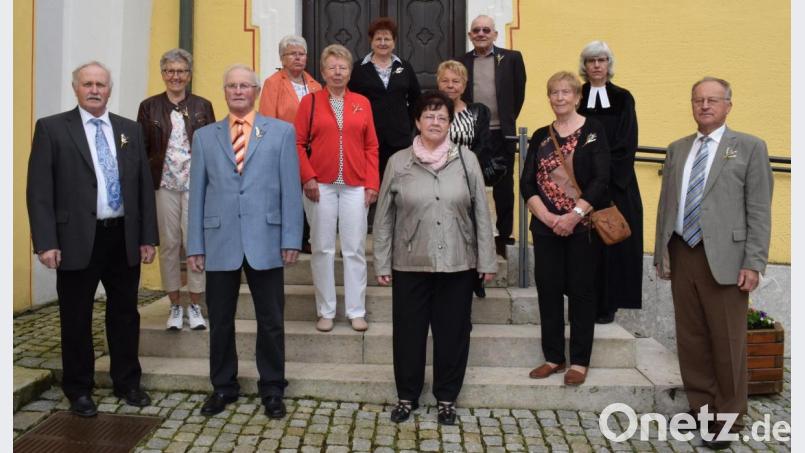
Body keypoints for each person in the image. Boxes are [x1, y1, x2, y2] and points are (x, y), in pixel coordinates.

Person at [26, 61, 158, 416]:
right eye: (88, 84)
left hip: (123, 237)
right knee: (76, 317)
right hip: (74, 239)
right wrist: (46, 242)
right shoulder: (52, 129)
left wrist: (148, 236)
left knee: (125, 315)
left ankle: (127, 382)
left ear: (109, 89)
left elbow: (143, 187)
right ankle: (79, 389)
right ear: (76, 88)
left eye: (101, 84)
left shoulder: (128, 129)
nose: (95, 89)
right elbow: (39, 191)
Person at [654, 77, 772, 450]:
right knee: (691, 338)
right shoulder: (677, 149)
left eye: (713, 100)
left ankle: (730, 416)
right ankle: (701, 406)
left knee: (727, 339)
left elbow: (758, 209)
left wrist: (754, 262)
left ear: (728, 105)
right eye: (698, 100)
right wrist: (662, 253)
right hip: (683, 251)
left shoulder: (750, 148)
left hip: (726, 257)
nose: (704, 106)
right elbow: (666, 206)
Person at [187, 64, 303, 419]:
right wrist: (195, 244)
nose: (238, 91)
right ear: (224, 91)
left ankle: (272, 387)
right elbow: (198, 194)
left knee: (271, 319)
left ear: (255, 90)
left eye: (244, 86)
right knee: (220, 319)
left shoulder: (281, 133)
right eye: (231, 85)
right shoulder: (205, 137)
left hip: (266, 239)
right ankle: (223, 386)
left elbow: (290, 188)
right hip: (219, 239)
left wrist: (291, 237)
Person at [373, 91, 496, 425]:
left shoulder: (466, 159)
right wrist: (381, 262)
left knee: (453, 332)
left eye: (442, 116)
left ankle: (446, 397)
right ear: (417, 121)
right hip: (410, 260)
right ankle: (407, 395)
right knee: (408, 332)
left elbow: (481, 213)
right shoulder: (398, 162)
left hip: (458, 260)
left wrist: (487, 260)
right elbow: (383, 217)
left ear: (450, 122)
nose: (436, 122)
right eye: (429, 115)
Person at [520, 72, 610, 386]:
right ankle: (554, 357)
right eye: (554, 92)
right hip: (546, 228)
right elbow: (527, 182)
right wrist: (547, 217)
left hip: (582, 227)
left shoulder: (593, 131)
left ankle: (580, 361)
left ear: (577, 97)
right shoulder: (541, 136)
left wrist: (572, 215)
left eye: (566, 92)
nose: (560, 98)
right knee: (548, 291)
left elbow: (601, 180)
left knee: (583, 293)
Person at [295, 44, 379, 333]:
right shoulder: (311, 102)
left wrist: (372, 182)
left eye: (343, 67)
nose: (338, 72)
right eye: (332, 67)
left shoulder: (362, 102)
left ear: (350, 71)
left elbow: (371, 146)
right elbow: (297, 143)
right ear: (322, 71)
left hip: (355, 185)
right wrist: (307, 177)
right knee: (322, 248)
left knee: (354, 249)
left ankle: (356, 311)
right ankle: (326, 310)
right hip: (321, 185)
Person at [137, 48, 215, 331]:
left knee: (195, 244)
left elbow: (212, 147)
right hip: (164, 185)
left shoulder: (202, 106)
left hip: (195, 186)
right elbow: (142, 149)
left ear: (189, 75)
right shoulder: (149, 107)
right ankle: (174, 305)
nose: (175, 76)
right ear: (163, 74)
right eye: (170, 71)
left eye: (181, 71)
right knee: (169, 244)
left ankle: (195, 305)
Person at [576, 41, 644, 324]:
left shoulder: (623, 98)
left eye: (601, 60)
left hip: (617, 183)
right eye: (591, 61)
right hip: (581, 182)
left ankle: (609, 305)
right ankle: (584, 302)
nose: (596, 66)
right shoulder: (576, 96)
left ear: (608, 64)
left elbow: (627, 142)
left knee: (614, 243)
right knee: (585, 248)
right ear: (585, 65)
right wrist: (585, 178)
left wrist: (606, 180)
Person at [458, 14, 526, 257]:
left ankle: (503, 236)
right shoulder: (461, 61)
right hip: (473, 134)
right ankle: (469, 235)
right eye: (476, 30)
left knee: (504, 188)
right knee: (468, 184)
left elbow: (518, 94)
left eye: (486, 30)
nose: (481, 34)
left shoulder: (511, 59)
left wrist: (504, 121)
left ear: (495, 34)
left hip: (502, 134)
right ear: (470, 35)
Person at [258, 35, 323, 254]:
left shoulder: (314, 84)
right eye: (292, 54)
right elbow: (266, 118)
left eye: (301, 53)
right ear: (282, 58)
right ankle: (286, 238)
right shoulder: (273, 83)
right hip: (283, 148)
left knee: (309, 195)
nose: (298, 58)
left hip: (311, 150)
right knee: (287, 195)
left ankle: (305, 238)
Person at [347, 16, 420, 184]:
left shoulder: (404, 67)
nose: (382, 42)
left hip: (399, 138)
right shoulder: (358, 68)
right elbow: (349, 100)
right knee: (372, 184)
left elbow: (416, 99)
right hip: (368, 137)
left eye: (387, 38)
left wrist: (407, 123)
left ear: (394, 42)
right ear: (371, 41)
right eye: (378, 38)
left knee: (400, 182)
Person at [435, 60, 493, 174]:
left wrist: (462, 165)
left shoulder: (479, 112)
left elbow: (483, 146)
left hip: (468, 172)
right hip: (435, 173)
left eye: (456, 81)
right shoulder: (429, 112)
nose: (450, 85)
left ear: (464, 86)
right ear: (438, 84)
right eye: (445, 81)